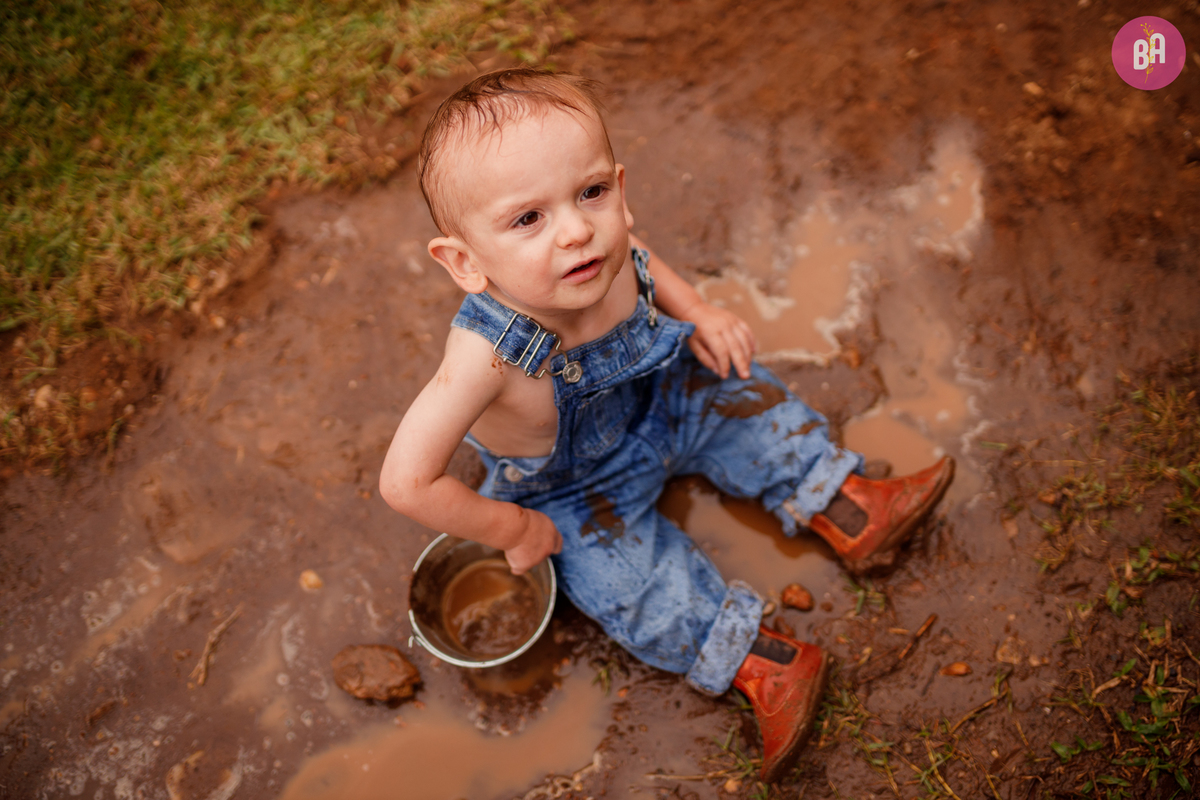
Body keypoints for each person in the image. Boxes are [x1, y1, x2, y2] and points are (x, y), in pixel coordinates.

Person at [380, 68, 954, 782]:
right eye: (528, 219)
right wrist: (512, 529)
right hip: (572, 487)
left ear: (618, 186)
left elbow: (646, 260)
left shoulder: (601, 251)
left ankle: (845, 500)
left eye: (591, 192)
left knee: (743, 397)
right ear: (465, 261)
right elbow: (406, 480)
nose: (576, 229)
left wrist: (702, 312)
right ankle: (763, 663)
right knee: (623, 580)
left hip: (664, 402)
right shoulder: (482, 358)